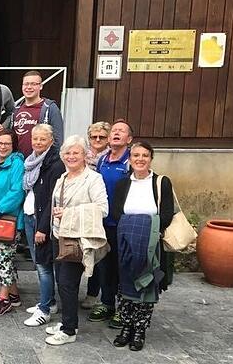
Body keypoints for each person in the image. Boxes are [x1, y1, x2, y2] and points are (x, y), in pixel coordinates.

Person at [45, 135, 109, 346]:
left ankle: (69, 330)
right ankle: (66, 322)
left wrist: (69, 213)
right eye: (67, 153)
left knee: (67, 283)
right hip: (59, 236)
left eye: (76, 152)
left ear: (84, 155)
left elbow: (102, 209)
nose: (71, 156)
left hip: (79, 239)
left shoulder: (93, 179)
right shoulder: (62, 178)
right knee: (62, 283)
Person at [110, 141, 174, 351]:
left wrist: (146, 230)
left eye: (145, 155)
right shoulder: (122, 184)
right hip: (127, 242)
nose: (140, 159)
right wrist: (131, 230)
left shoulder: (161, 183)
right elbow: (116, 213)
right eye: (136, 155)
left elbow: (165, 215)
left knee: (146, 285)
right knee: (125, 284)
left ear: (151, 159)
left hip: (151, 243)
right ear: (129, 159)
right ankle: (126, 327)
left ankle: (140, 330)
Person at [90, 119, 133, 328]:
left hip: (123, 223)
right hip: (102, 222)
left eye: (121, 132)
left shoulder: (130, 161)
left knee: (122, 266)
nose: (116, 134)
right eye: (114, 131)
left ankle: (124, 307)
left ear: (129, 139)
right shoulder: (102, 159)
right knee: (105, 265)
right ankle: (107, 303)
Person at [22, 124, 65, 327]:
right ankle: (49, 301)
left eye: (42, 139)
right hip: (31, 216)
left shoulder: (55, 164)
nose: (37, 142)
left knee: (44, 266)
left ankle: (45, 309)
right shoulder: (32, 160)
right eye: (35, 139)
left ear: (51, 141)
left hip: (42, 221)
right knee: (39, 263)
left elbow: (52, 199)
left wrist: (43, 228)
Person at [0, 129, 25, 317]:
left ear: (13, 145)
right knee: (4, 257)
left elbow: (17, 191)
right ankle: (14, 294)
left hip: (8, 219)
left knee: (2, 257)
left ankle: (4, 299)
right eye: (0, 143)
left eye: (7, 144)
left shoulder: (17, 163)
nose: (2, 147)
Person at [81, 120, 111, 310]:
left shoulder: (111, 158)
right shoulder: (83, 156)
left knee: (102, 255)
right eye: (94, 136)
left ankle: (99, 295)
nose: (97, 140)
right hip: (85, 211)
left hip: (105, 211)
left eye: (102, 137)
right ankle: (86, 292)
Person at [12, 71, 64, 157]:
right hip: (19, 162)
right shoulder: (16, 109)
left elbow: (58, 140)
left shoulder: (50, 108)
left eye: (33, 84)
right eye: (26, 84)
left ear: (41, 86)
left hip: (42, 161)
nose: (29, 87)